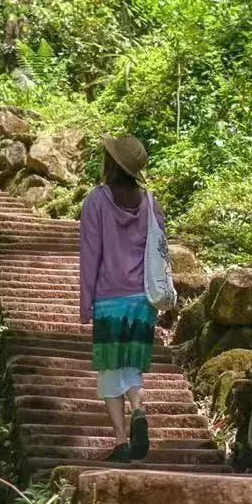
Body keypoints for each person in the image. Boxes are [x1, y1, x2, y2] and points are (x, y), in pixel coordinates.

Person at [80, 133, 165, 463]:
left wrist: (86, 303)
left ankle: (120, 441)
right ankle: (138, 409)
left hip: (110, 298)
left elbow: (91, 255)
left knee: (109, 368)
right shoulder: (150, 203)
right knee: (131, 365)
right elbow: (160, 250)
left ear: (111, 163)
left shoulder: (96, 201)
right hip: (142, 300)